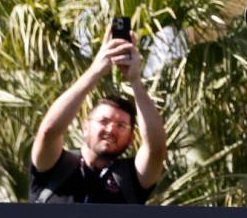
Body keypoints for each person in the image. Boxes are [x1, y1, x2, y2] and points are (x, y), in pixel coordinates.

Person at [29, 27, 167, 204]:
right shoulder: (55, 165)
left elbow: (156, 148)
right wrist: (96, 70)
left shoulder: (131, 177)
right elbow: (49, 131)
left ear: (132, 138)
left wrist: (135, 81)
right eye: (104, 121)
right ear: (85, 126)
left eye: (121, 126)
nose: (111, 129)